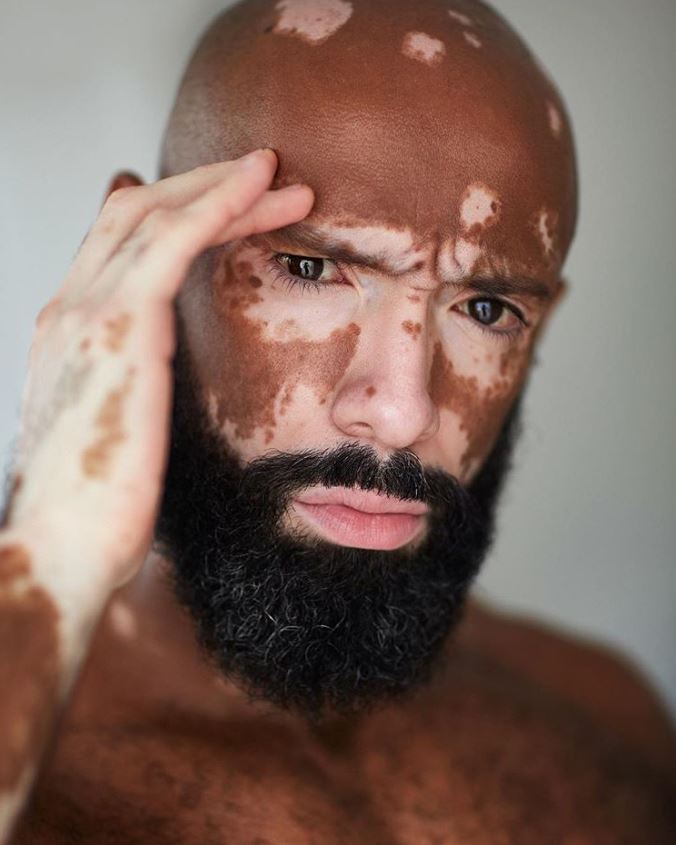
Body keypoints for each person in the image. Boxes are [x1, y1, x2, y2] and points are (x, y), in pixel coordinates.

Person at [1, 0, 675, 841]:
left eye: (486, 307)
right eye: (310, 268)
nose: (400, 413)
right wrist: (54, 547)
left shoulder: (610, 721)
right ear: (139, 254)